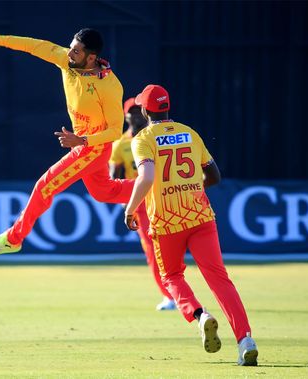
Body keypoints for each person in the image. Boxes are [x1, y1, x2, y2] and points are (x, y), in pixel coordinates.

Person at [123, 84, 258, 366]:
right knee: (219, 279)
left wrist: (131, 208)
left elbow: (146, 177)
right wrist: (192, 188)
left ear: (146, 110)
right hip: (200, 216)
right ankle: (245, 340)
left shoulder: (143, 138)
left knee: (172, 276)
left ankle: (200, 315)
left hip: (167, 221)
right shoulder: (190, 133)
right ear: (167, 107)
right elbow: (214, 175)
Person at [0, 28, 134, 254]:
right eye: (71, 48)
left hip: (92, 147)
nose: (70, 54)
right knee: (104, 192)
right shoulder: (67, 61)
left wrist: (82, 140)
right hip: (84, 144)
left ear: (91, 57)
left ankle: (14, 239)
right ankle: (155, 187)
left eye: (76, 51)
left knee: (45, 186)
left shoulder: (110, 86)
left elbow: (115, 131)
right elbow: (35, 45)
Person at [110, 98, 176, 311]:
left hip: (165, 197)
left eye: (140, 111)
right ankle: (170, 295)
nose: (137, 116)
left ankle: (178, 291)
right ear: (125, 116)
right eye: (133, 112)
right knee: (153, 251)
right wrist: (125, 204)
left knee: (171, 248)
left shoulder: (157, 137)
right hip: (141, 204)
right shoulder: (120, 144)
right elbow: (114, 179)